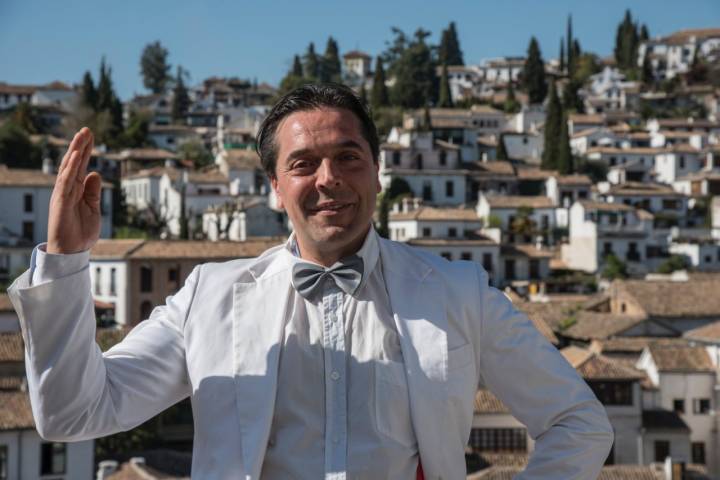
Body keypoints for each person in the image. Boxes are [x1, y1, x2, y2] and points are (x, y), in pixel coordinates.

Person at [9, 84, 613, 479]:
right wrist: (64, 262)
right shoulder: (209, 296)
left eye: (349, 157)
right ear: (274, 187)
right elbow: (73, 414)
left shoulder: (458, 292)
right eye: (303, 164)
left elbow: (579, 423)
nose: (329, 179)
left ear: (378, 174)